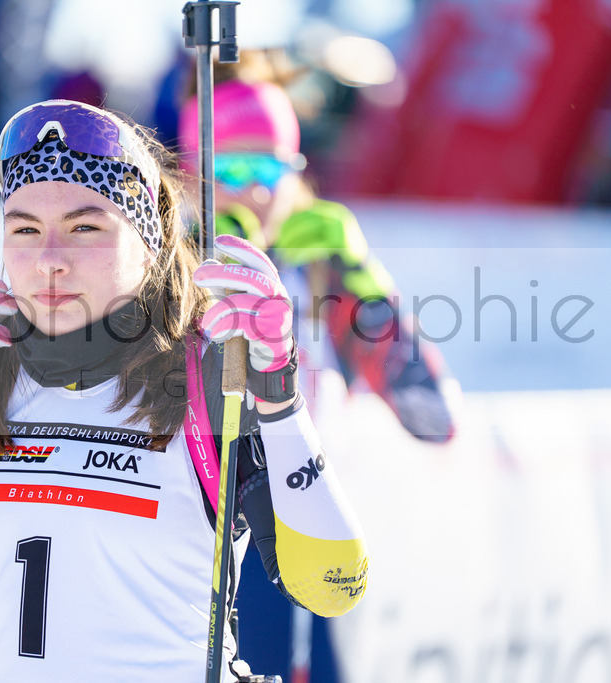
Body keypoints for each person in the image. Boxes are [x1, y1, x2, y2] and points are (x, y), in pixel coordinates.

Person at [0, 99, 368, 682]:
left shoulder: (207, 375)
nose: (50, 260)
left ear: (147, 241)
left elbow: (333, 584)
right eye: (25, 229)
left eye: (85, 227)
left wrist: (278, 395)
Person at [177, 71, 458, 683]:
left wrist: (368, 288)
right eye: (225, 174)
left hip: (302, 534)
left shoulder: (323, 270)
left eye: (267, 173)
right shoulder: (166, 272)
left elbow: (435, 419)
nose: (248, 193)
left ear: (297, 174)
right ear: (189, 179)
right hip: (194, 550)